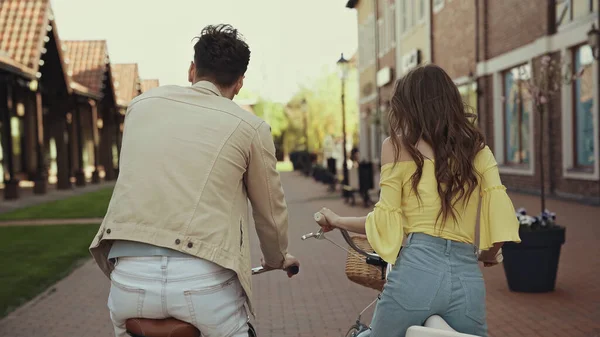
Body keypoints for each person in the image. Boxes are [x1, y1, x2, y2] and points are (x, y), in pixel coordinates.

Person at [89, 24, 299, 337]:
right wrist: (276, 258)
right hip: (202, 283)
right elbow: (269, 211)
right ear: (239, 83)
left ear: (192, 70)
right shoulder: (250, 127)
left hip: (128, 279)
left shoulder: (139, 107)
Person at [315, 64, 520, 337]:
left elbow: (385, 219)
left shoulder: (397, 147)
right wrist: (488, 254)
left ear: (409, 106)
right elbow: (500, 216)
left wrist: (337, 220)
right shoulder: (478, 150)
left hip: (416, 273)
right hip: (466, 277)